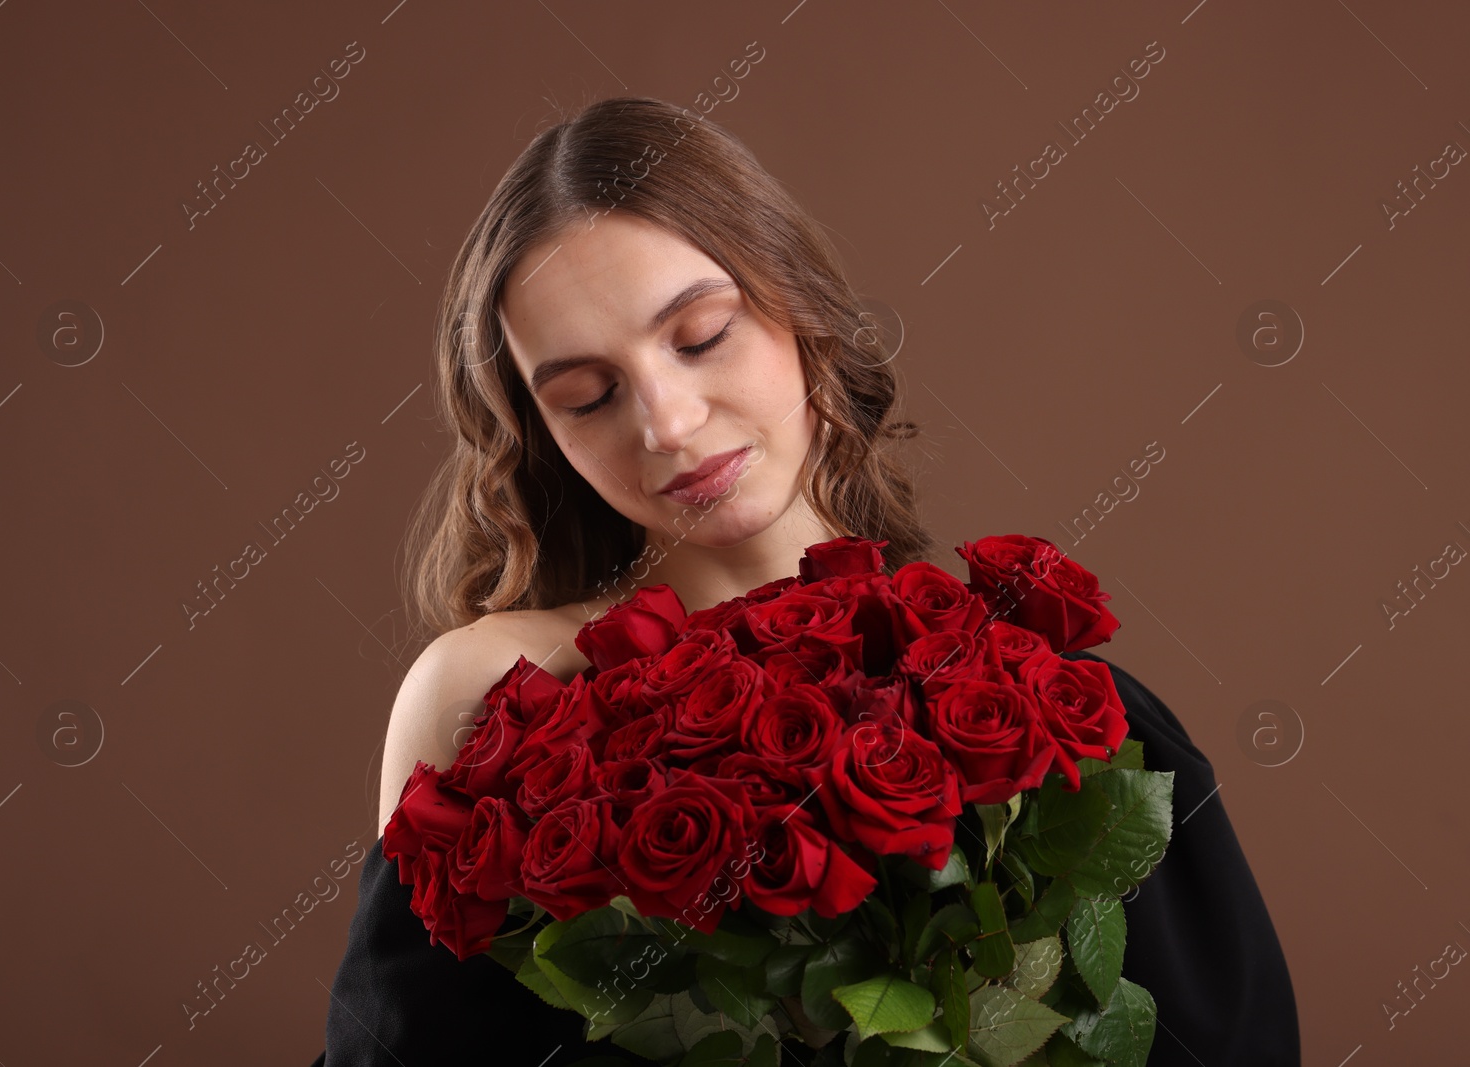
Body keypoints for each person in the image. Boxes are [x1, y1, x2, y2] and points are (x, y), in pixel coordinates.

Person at [311, 96, 1299, 1066]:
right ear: (543, 434)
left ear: (799, 305)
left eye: (701, 336)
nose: (665, 421)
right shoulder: (497, 691)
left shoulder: (1047, 709)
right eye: (588, 396)